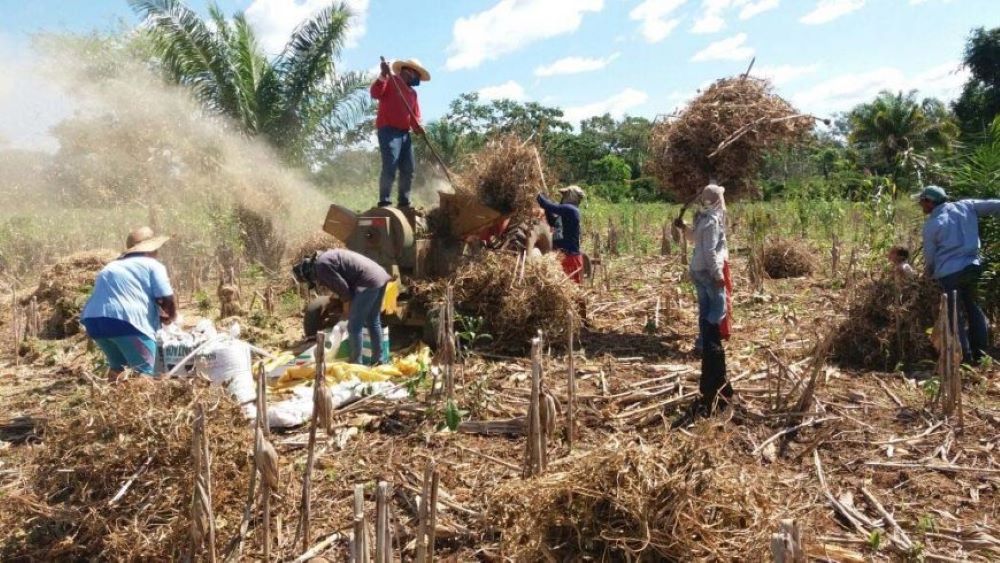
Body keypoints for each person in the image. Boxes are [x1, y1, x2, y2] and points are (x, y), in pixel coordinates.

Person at [916, 185, 1000, 365]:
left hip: (949, 273)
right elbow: (995, 205)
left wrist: (928, 275)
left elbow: (930, 258)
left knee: (955, 315)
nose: (921, 205)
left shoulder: (932, 225)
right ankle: (981, 355)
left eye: (922, 201)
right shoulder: (966, 206)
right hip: (972, 268)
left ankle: (964, 358)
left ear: (930, 202)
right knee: (974, 309)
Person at [81, 227, 176, 381]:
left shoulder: (111, 266)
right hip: (128, 322)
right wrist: (171, 317)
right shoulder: (152, 265)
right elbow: (166, 297)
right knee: (149, 372)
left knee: (118, 369)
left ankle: (110, 403)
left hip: (94, 322)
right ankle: (147, 402)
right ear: (152, 249)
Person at [672, 184, 733, 426]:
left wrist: (683, 228)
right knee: (717, 310)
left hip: (697, 270)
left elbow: (694, 239)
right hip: (707, 271)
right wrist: (718, 276)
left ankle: (704, 341)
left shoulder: (702, 218)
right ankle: (710, 345)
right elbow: (708, 251)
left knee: (705, 310)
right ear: (718, 199)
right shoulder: (712, 221)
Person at [293, 249, 391, 366]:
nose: (315, 280)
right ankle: (379, 360)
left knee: (354, 327)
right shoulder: (325, 258)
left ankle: (356, 364)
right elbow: (346, 281)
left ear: (309, 273)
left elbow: (344, 290)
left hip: (368, 281)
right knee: (373, 321)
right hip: (380, 275)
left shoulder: (321, 267)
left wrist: (345, 314)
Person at [370, 58, 430, 209]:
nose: (417, 80)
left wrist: (419, 128)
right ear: (408, 72)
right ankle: (384, 201)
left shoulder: (413, 94)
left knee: (408, 168)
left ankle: (404, 202)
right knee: (390, 164)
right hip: (388, 130)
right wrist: (383, 75)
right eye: (416, 75)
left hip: (404, 134)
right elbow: (375, 93)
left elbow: (415, 117)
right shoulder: (391, 81)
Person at [537, 185, 585, 283]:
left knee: (571, 288)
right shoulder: (566, 212)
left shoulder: (571, 209)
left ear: (570, 196)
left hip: (570, 257)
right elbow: (553, 222)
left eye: (564, 195)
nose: (562, 198)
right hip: (562, 255)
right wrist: (546, 208)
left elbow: (549, 206)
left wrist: (537, 194)